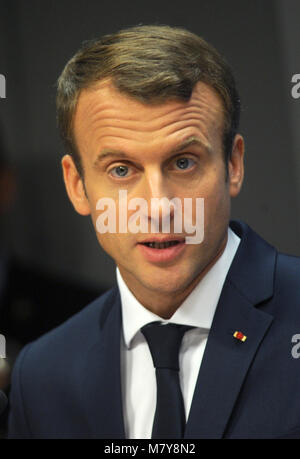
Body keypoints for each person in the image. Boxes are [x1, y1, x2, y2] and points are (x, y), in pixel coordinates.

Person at [7, 24, 300, 439]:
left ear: (233, 165)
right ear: (77, 186)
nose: (158, 207)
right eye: (121, 170)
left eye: (183, 162)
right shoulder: (41, 375)